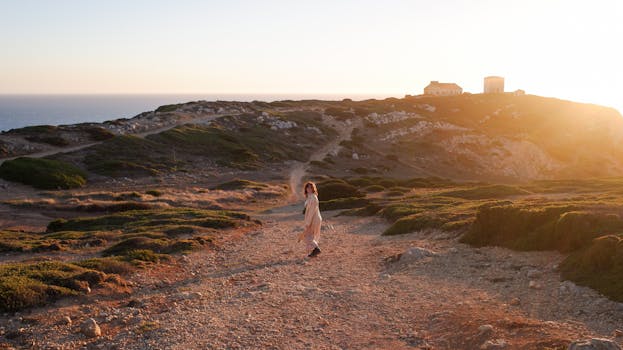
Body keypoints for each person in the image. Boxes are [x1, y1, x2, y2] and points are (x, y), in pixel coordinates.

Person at [302, 181, 322, 257]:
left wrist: (307, 223)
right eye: (308, 187)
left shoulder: (313, 197)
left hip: (314, 219)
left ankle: (317, 249)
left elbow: (311, 211)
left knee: (308, 236)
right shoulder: (310, 197)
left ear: (313, 188)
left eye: (311, 187)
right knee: (311, 236)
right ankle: (314, 252)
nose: (309, 189)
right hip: (314, 218)